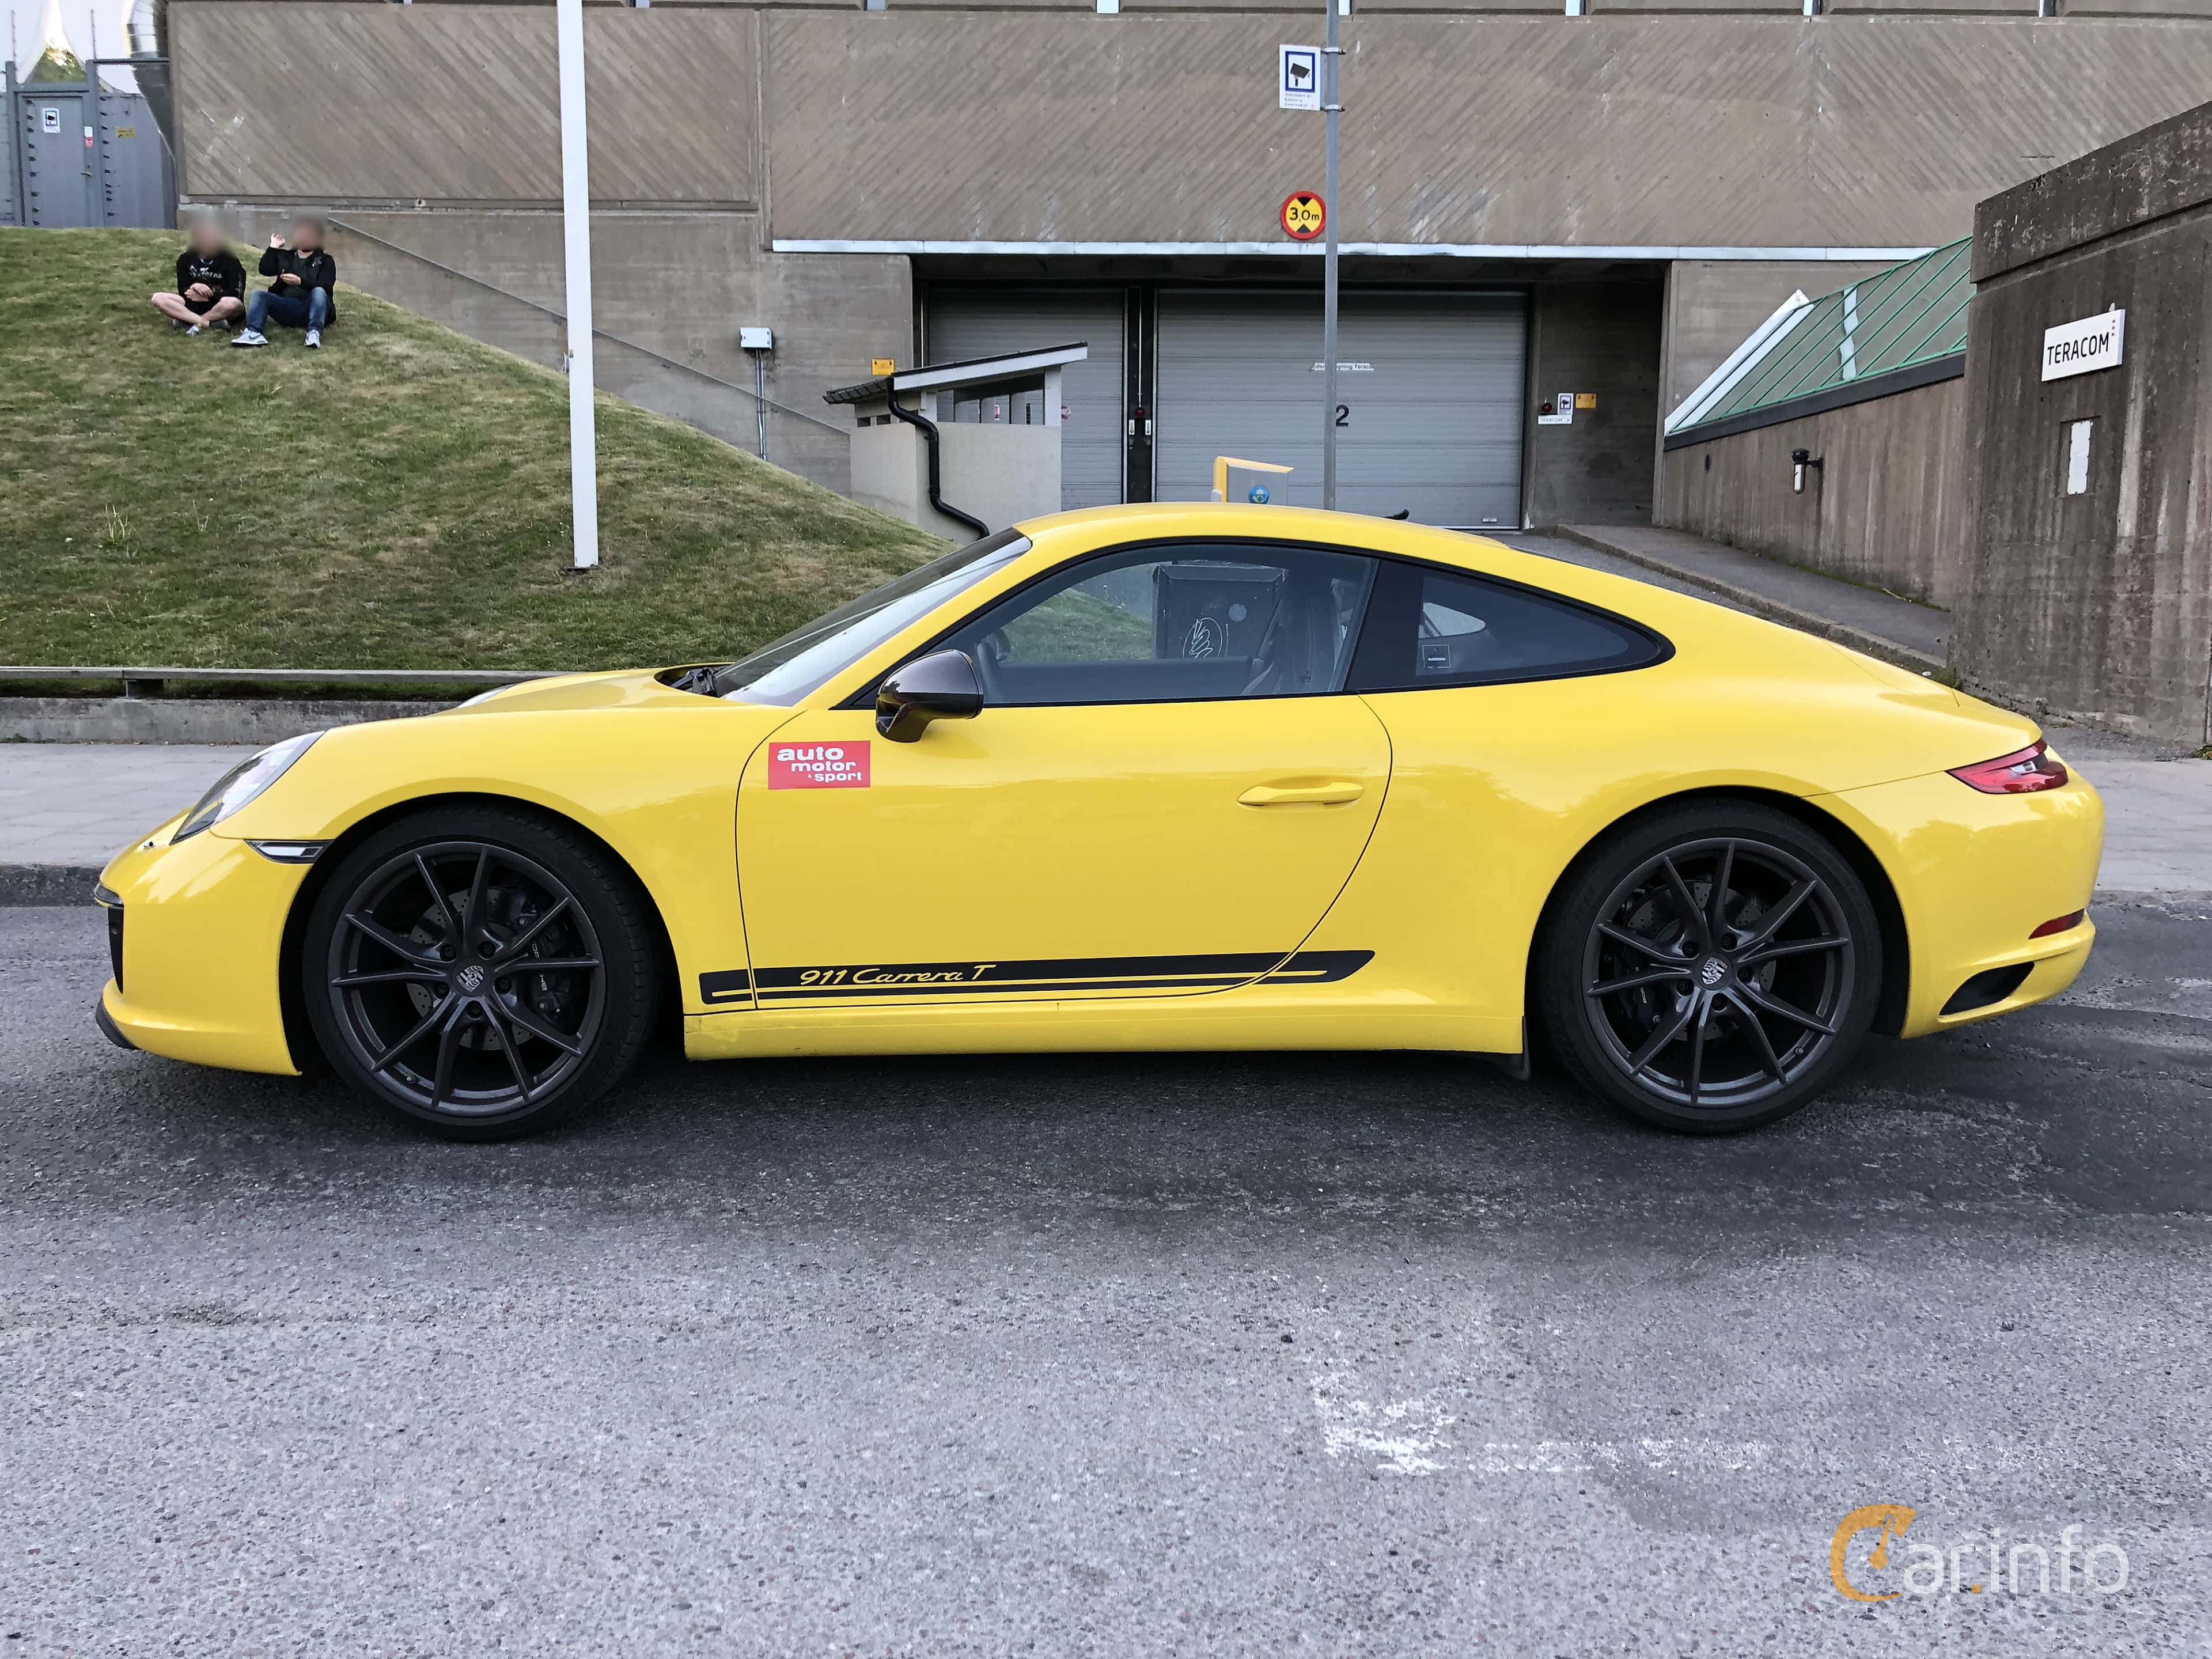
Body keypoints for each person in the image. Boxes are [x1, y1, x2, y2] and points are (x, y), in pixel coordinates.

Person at [232, 217, 338, 350]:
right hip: (287, 306)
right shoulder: (287, 257)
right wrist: (273, 248)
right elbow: (264, 269)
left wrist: (300, 282)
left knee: (319, 291)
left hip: (311, 307)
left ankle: (314, 333)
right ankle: (254, 333)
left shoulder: (326, 261)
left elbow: (326, 286)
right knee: (258, 295)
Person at [150, 219, 245, 335]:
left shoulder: (231, 261)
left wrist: (210, 297)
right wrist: (195, 286)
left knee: (233, 304)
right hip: (193, 304)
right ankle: (207, 324)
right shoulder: (185, 259)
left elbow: (237, 293)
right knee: (158, 298)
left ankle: (189, 321)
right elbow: (183, 289)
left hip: (220, 306)